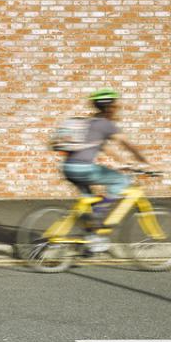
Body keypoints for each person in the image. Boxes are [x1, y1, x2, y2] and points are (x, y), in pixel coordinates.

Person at [60, 88, 148, 250]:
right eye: (115, 105)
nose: (117, 108)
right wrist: (146, 162)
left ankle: (92, 239)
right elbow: (127, 144)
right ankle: (98, 223)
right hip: (83, 169)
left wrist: (125, 163)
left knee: (90, 202)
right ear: (109, 106)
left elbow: (106, 149)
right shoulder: (106, 124)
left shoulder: (90, 123)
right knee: (121, 180)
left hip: (68, 168)